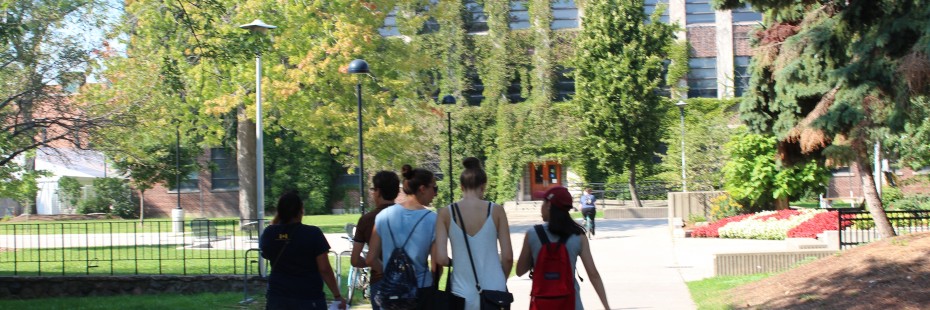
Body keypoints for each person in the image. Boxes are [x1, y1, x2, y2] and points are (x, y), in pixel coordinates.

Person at [435, 157, 513, 310]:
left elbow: (441, 258)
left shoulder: (445, 213)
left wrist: (455, 262)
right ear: (483, 187)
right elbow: (508, 257)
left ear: (461, 187)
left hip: (461, 291)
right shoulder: (496, 210)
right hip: (494, 290)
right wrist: (501, 279)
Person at [516, 186, 609, 310]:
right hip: (571, 304)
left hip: (541, 304)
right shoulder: (579, 236)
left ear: (549, 205)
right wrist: (606, 307)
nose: (541, 207)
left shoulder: (532, 234)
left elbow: (519, 271)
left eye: (543, 202)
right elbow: (593, 274)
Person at [366, 165, 439, 309]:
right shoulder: (433, 219)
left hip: (392, 291)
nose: (435, 194)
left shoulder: (383, 217)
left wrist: (389, 272)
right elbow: (436, 264)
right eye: (434, 188)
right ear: (422, 189)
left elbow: (370, 258)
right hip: (421, 289)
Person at [260, 191, 346, 310]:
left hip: (278, 296)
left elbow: (266, 254)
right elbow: (324, 268)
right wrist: (337, 295)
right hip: (308, 296)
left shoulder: (269, 233)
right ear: (300, 210)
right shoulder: (313, 233)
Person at [350, 171, 401, 309]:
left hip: (379, 281)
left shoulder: (367, 220)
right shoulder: (406, 215)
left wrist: (373, 265)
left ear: (378, 191)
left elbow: (355, 259)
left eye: (373, 189)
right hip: (406, 279)